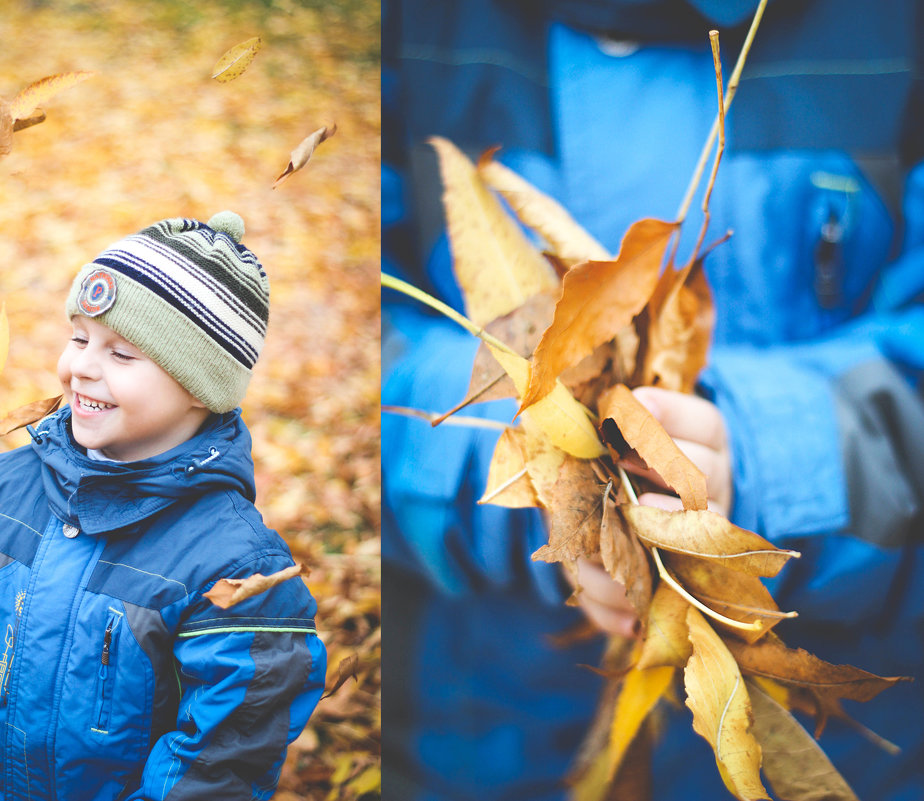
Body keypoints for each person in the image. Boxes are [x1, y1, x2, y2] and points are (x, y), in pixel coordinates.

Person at [383, 0, 924, 799]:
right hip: (473, 735)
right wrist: (544, 473)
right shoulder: (418, 31)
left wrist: (763, 460)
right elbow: (353, 337)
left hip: (855, 746)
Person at [0, 213, 328, 801]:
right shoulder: (0, 491)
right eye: (80, 337)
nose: (83, 365)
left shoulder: (236, 567)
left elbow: (222, 755)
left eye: (123, 354)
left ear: (199, 386)